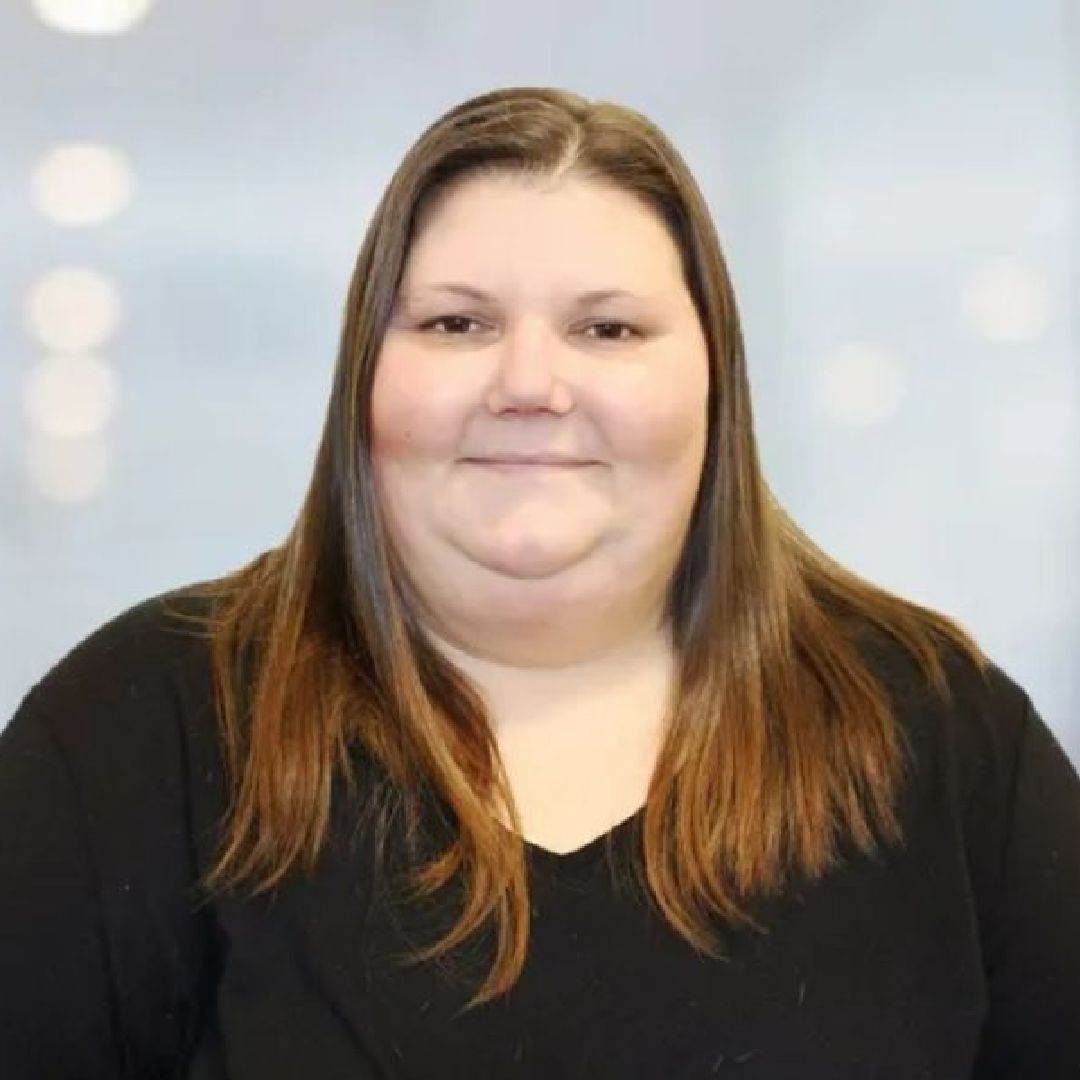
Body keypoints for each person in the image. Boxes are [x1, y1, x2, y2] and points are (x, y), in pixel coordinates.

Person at [1, 86, 1078, 1080]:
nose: (528, 383)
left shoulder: (936, 734)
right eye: (455, 323)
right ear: (365, 378)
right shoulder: (141, 731)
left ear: (715, 381)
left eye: (607, 328)